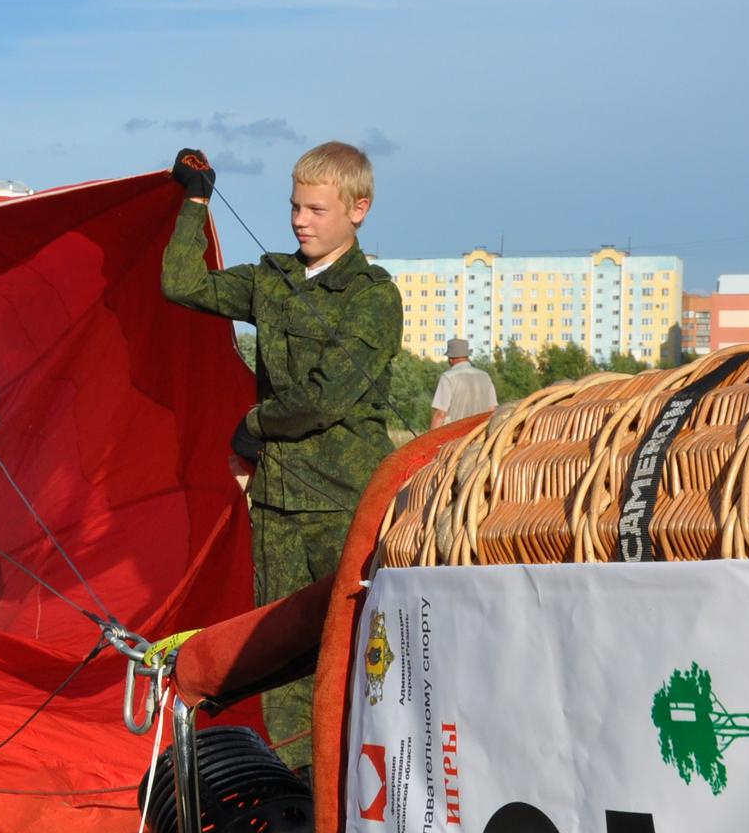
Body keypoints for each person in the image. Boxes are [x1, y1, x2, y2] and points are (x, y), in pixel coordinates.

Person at [160, 143, 401, 772]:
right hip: (278, 505)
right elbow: (180, 284)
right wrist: (195, 199)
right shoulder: (272, 278)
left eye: (317, 209)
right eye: (295, 206)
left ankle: (367, 795)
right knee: (283, 672)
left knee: (359, 658)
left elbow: (325, 397)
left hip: (346, 504)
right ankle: (302, 800)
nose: (300, 220)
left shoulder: (373, 296)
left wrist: (251, 425)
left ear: (359, 210)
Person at [430, 335, 497, 427]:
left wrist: (432, 439)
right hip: (480, 434)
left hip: (455, 436)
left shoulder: (447, 377)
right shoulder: (485, 376)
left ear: (450, 358)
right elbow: (491, 410)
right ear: (467, 356)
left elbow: (440, 414)